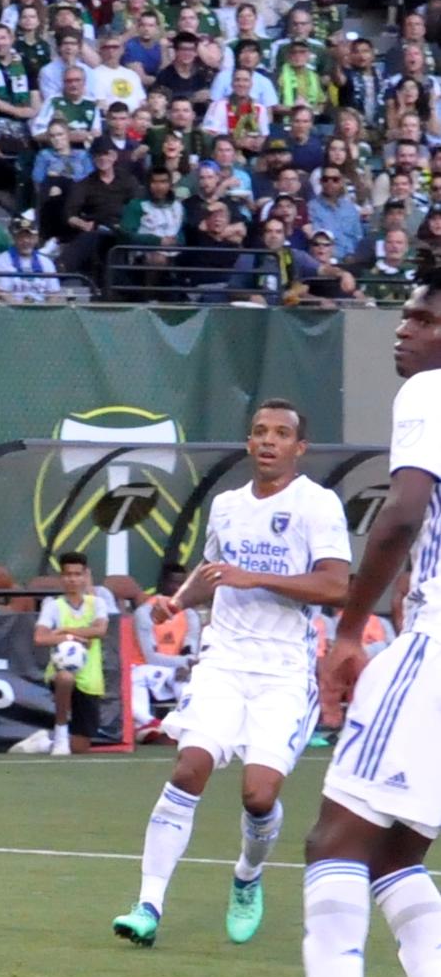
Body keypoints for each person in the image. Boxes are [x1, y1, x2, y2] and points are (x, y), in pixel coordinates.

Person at [251, 277, 441, 977]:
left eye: (425, 318)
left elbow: (400, 514)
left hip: (434, 648)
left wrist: (351, 627)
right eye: (405, 314)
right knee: (397, 853)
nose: (404, 332)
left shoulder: (430, 391)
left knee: (335, 835)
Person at [113, 401, 347, 949]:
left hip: (284, 670)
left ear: (299, 448)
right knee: (189, 768)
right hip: (224, 661)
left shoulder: (318, 504)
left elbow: (336, 585)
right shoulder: (225, 506)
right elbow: (214, 572)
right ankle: (148, 903)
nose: (269, 441)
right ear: (249, 443)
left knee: (258, 795)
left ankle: (247, 874)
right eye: (260, 432)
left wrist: (254, 577)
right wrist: (178, 601)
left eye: (282, 433)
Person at [32, 551, 115, 758]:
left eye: (78, 574)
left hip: (90, 679)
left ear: (85, 575)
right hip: (61, 672)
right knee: (65, 677)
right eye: (68, 574)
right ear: (62, 577)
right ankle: (60, 735)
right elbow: (40, 638)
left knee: (80, 747)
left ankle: (43, 743)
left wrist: (64, 632)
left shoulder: (97, 603)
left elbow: (100, 630)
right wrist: (70, 639)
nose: (73, 579)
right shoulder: (53, 605)